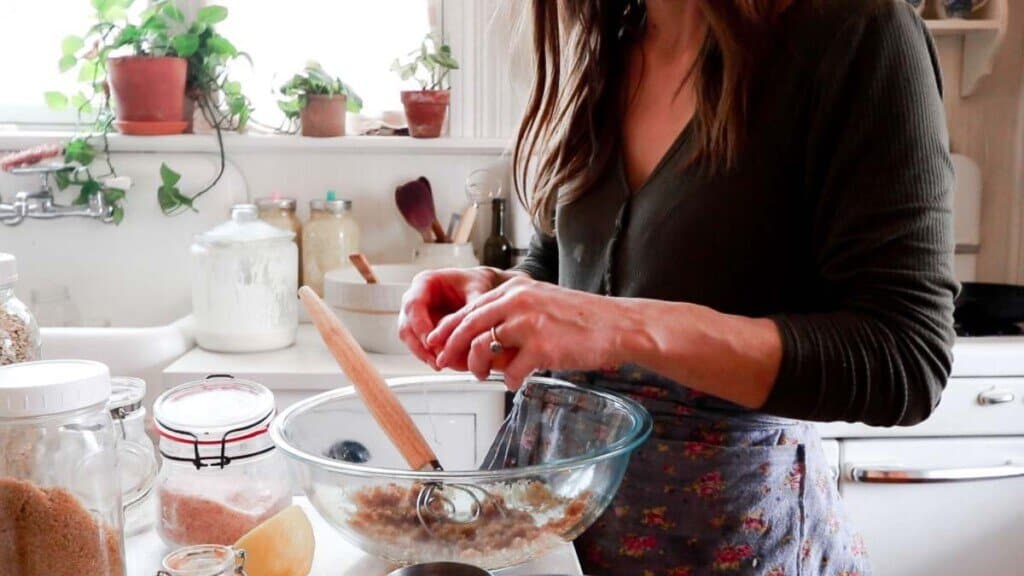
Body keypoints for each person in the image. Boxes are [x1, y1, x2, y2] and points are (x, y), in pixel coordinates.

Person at [399, 0, 957, 573]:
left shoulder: (858, 31)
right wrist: (498, 293)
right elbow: (566, 265)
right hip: (556, 541)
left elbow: (906, 358)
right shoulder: (609, 41)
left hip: (730, 547)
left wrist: (619, 326)